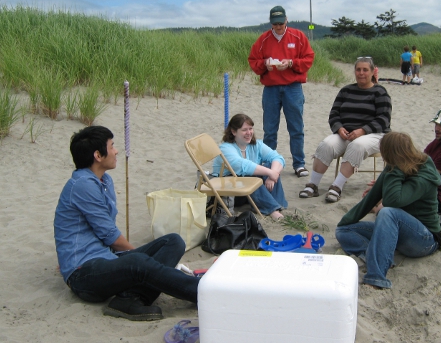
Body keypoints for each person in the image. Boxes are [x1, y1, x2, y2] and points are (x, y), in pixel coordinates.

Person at [54, 126, 199, 321]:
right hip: (83, 275)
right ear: (98, 155)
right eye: (112, 146)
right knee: (138, 262)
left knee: (174, 241)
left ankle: (130, 299)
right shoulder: (83, 185)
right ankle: (201, 291)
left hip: (107, 260)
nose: (116, 151)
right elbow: (111, 237)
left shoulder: (103, 181)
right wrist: (141, 260)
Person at [335, 132, 441, 289]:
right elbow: (372, 196)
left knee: (387, 212)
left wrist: (396, 170)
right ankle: (377, 256)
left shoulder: (423, 173)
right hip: (398, 233)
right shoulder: (396, 165)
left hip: (424, 239)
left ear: (393, 154)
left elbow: (393, 201)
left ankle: (376, 276)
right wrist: (347, 221)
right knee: (343, 231)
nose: (384, 159)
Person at [298, 57, 392, 203]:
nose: (361, 73)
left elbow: (383, 119)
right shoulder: (346, 90)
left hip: (374, 135)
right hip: (346, 133)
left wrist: (363, 130)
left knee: (357, 146)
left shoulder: (380, 92)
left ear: (372, 72)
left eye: (365, 70)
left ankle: (337, 186)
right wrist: (339, 128)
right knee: (326, 145)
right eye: (358, 69)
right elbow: (334, 114)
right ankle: (313, 185)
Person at [248, 5, 315, 178]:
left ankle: (299, 164)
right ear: (271, 23)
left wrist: (292, 63)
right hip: (271, 88)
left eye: (281, 22)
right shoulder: (263, 39)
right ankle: (269, 164)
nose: (278, 26)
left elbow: (308, 58)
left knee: (296, 128)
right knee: (270, 129)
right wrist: (265, 65)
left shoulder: (298, 36)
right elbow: (254, 60)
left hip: (293, 88)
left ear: (286, 20)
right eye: (275, 23)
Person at [213, 114, 288, 221]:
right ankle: (272, 209)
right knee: (249, 174)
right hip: (230, 193)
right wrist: (270, 173)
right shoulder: (225, 148)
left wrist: (273, 174)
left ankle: (277, 206)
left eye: (250, 129)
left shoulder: (256, 145)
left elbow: (277, 157)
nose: (249, 133)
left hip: (248, 191)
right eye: (244, 130)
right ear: (234, 132)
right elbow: (243, 166)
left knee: (271, 166)